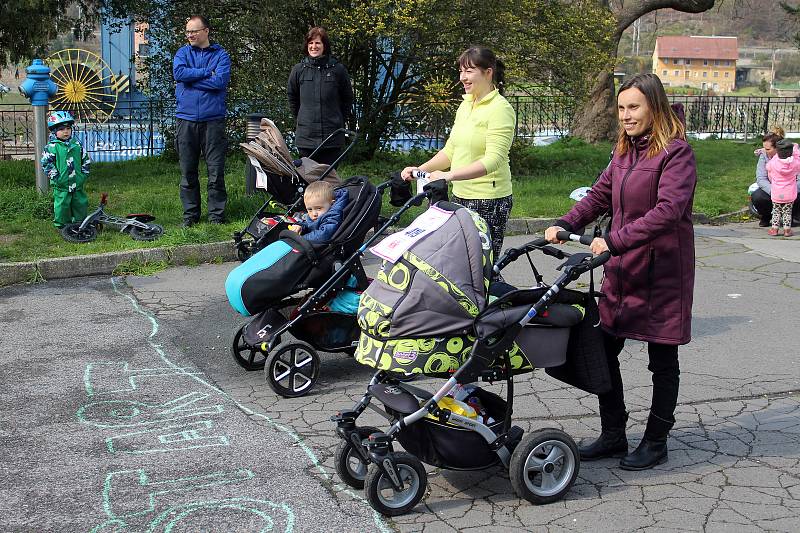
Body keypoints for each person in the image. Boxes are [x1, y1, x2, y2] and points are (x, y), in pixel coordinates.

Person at [545, 73, 697, 471]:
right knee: (602, 347)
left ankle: (656, 440)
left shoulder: (676, 153)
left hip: (663, 272)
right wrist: (567, 222)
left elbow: (669, 211)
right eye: (621, 108)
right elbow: (598, 194)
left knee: (662, 360)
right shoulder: (624, 151)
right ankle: (614, 433)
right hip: (624, 268)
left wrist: (615, 240)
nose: (626, 116)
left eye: (634, 107)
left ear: (655, 107)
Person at [401, 46, 516, 267]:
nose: (463, 77)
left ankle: (495, 301)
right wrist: (420, 170)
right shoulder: (466, 104)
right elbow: (451, 150)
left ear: (488, 72)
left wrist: (448, 176)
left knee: (480, 268)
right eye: (461, 71)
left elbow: (494, 160)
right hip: (460, 196)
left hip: (488, 200)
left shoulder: (500, 109)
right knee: (457, 266)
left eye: (469, 71)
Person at [173, 14, 231, 227]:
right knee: (188, 171)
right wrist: (206, 72)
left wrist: (190, 81)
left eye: (194, 31)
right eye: (187, 32)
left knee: (215, 171)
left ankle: (216, 216)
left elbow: (220, 82)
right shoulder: (182, 53)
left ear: (206, 31)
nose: (190, 35)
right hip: (186, 120)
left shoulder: (221, 55)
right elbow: (179, 73)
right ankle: (190, 216)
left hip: (213, 121)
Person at [288, 26, 353, 166]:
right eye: (311, 43)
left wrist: (338, 119)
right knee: (308, 181)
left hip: (332, 137)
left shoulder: (338, 70)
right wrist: (302, 118)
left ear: (324, 45)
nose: (314, 46)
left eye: (317, 43)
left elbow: (347, 98)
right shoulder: (299, 70)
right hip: (306, 138)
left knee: (329, 182)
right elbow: (292, 98)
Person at [40, 111, 90, 228]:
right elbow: (47, 163)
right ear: (54, 131)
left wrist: (83, 175)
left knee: (80, 204)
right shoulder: (52, 147)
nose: (66, 131)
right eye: (62, 129)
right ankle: (62, 225)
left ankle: (80, 223)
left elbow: (85, 160)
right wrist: (56, 177)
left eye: (68, 128)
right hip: (61, 184)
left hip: (77, 183)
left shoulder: (77, 145)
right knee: (62, 205)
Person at [751, 127, 800, 228]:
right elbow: (761, 178)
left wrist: (790, 190)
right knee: (757, 196)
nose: (765, 150)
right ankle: (766, 215)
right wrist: (774, 190)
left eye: (768, 149)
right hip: (773, 188)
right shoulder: (764, 155)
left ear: (777, 148)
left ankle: (793, 216)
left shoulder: (793, 156)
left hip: (791, 189)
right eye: (764, 148)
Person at [765, 138, 799, 237]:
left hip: (776, 192)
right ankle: (787, 230)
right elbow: (798, 157)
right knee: (787, 212)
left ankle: (774, 229)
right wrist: (795, 148)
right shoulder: (795, 164)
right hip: (789, 193)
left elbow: (768, 167)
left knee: (776, 211)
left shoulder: (774, 163)